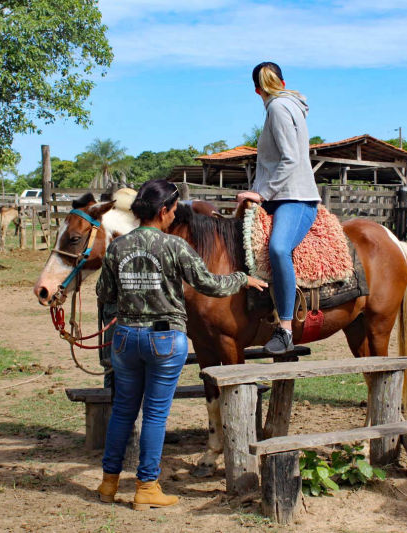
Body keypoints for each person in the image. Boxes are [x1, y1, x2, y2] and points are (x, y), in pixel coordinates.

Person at [95, 179, 268, 509]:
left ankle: (108, 484)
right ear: (162, 212)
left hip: (125, 339)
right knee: (156, 416)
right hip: (163, 339)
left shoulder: (118, 248)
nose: (175, 216)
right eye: (173, 211)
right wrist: (243, 279)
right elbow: (210, 284)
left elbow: (104, 294)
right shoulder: (175, 247)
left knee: (122, 413)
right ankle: (146, 488)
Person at [236, 61, 322, 355]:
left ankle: (285, 328)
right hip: (282, 196)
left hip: (294, 198)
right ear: (282, 83)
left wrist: (261, 193)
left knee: (278, 249)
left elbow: (290, 159)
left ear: (257, 90)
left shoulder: (277, 108)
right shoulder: (290, 105)